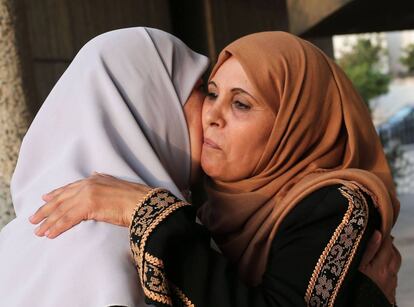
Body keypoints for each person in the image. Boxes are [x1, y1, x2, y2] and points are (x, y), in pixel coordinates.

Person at [31, 31, 401, 306]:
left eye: (241, 103)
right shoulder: (213, 211)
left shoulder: (335, 204)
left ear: (295, 124)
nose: (212, 116)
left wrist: (144, 211)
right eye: (211, 93)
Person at [0, 27, 208, 306]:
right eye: (202, 89)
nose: (213, 111)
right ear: (155, 103)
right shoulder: (120, 251)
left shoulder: (13, 243)